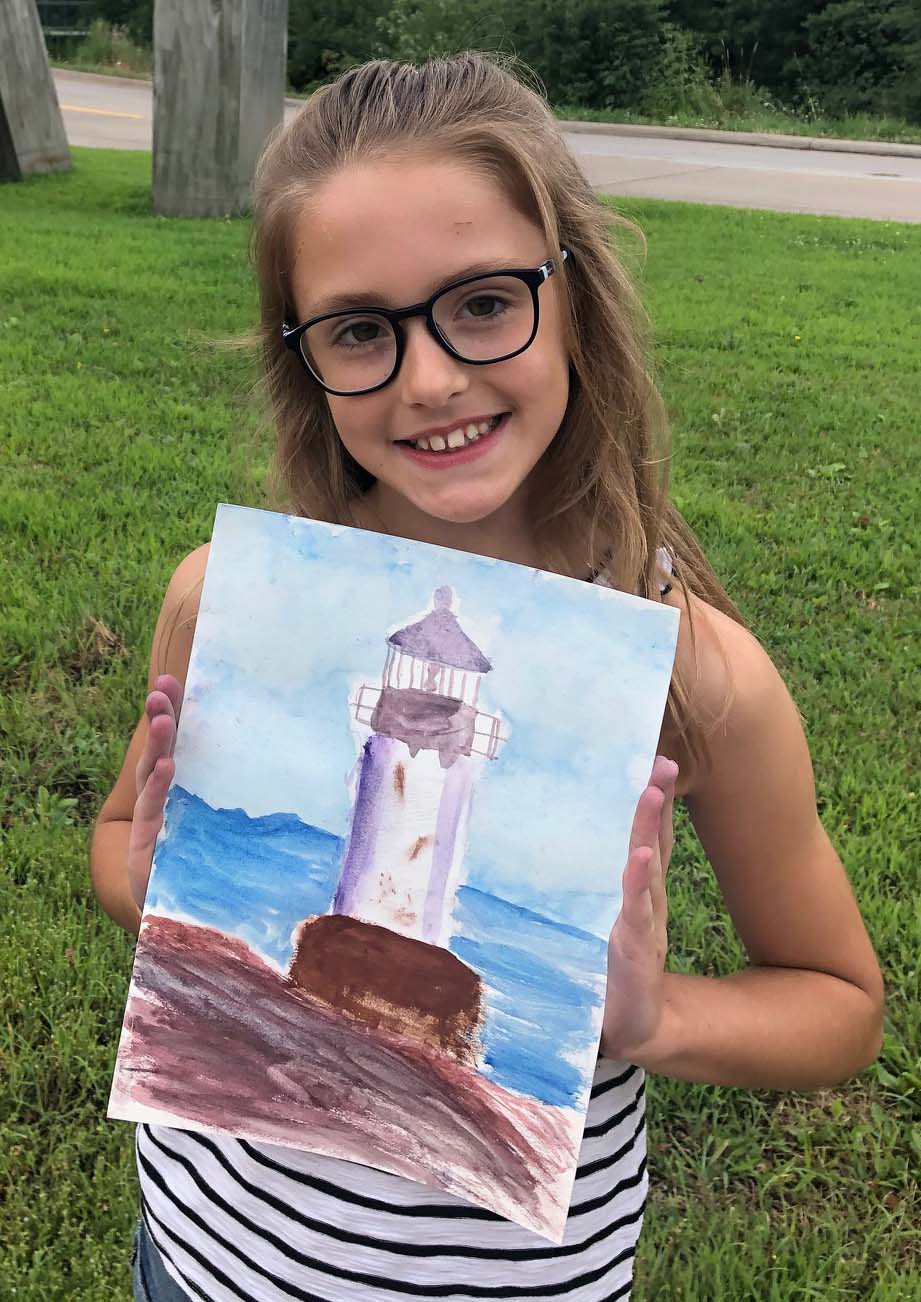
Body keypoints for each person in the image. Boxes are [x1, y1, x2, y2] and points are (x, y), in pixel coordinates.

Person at [91, 52, 885, 1302]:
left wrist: (654, 1020)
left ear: (573, 294)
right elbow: (118, 844)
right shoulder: (227, 602)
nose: (429, 379)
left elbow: (839, 1001)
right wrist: (143, 887)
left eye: (480, 302)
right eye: (360, 328)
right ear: (304, 353)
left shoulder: (695, 670)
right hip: (201, 1265)